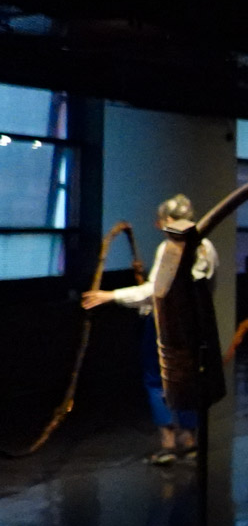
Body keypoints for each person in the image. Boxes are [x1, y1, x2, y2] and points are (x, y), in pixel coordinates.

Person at [81, 195, 218, 466]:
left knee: (156, 379)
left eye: (163, 221)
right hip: (193, 325)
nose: (159, 226)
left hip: (165, 324)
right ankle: (189, 440)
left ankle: (169, 442)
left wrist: (111, 295)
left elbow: (156, 292)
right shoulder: (206, 247)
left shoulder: (172, 248)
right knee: (186, 378)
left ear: (170, 221)